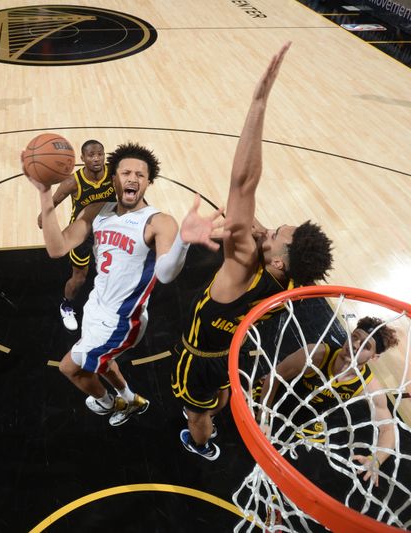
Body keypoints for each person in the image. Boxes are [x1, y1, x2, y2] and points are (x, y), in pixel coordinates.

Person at [170, 43, 334, 460]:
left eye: (278, 233)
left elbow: (243, 183)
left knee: (197, 412)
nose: (270, 228)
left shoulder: (243, 262)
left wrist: (258, 102)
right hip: (235, 353)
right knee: (223, 395)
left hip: (200, 355)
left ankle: (202, 443)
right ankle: (215, 411)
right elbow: (262, 231)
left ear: (277, 258)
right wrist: (261, 231)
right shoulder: (294, 282)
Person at [27, 141, 223, 426]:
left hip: (123, 320)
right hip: (96, 306)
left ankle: (108, 402)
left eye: (140, 175)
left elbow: (166, 273)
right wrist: (45, 194)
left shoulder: (159, 222)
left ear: (148, 182)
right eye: (125, 173)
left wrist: (182, 242)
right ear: (113, 178)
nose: (132, 178)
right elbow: (57, 248)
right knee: (103, 362)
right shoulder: (97, 211)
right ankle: (131, 398)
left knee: (70, 368)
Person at [257, 316, 399, 487]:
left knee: (302, 474)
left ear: (374, 357)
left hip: (309, 421)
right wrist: (263, 416)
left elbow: (388, 428)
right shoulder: (316, 354)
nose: (354, 344)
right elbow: (275, 375)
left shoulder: (368, 385)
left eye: (365, 346)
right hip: (278, 400)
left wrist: (376, 460)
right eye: (355, 336)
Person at [37, 140, 114, 331]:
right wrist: (43, 218)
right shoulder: (73, 182)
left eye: (100, 154)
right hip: (83, 234)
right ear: (83, 158)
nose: (96, 159)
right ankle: (67, 305)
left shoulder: (114, 175)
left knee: (113, 273)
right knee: (79, 278)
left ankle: (110, 309)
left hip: (109, 231)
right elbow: (52, 204)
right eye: (91, 155)